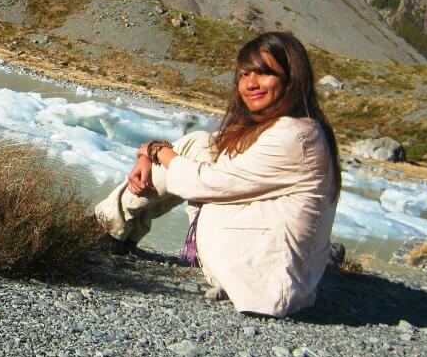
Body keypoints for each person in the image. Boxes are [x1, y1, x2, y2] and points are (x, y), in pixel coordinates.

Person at [95, 31, 341, 318]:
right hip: (265, 266)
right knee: (198, 142)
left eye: (264, 73)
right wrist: (148, 151)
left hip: (264, 285)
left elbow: (206, 183)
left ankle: (106, 227)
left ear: (291, 79)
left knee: (189, 166)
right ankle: (111, 228)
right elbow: (208, 147)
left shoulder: (294, 136)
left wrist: (160, 153)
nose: (250, 84)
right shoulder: (290, 127)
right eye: (243, 74)